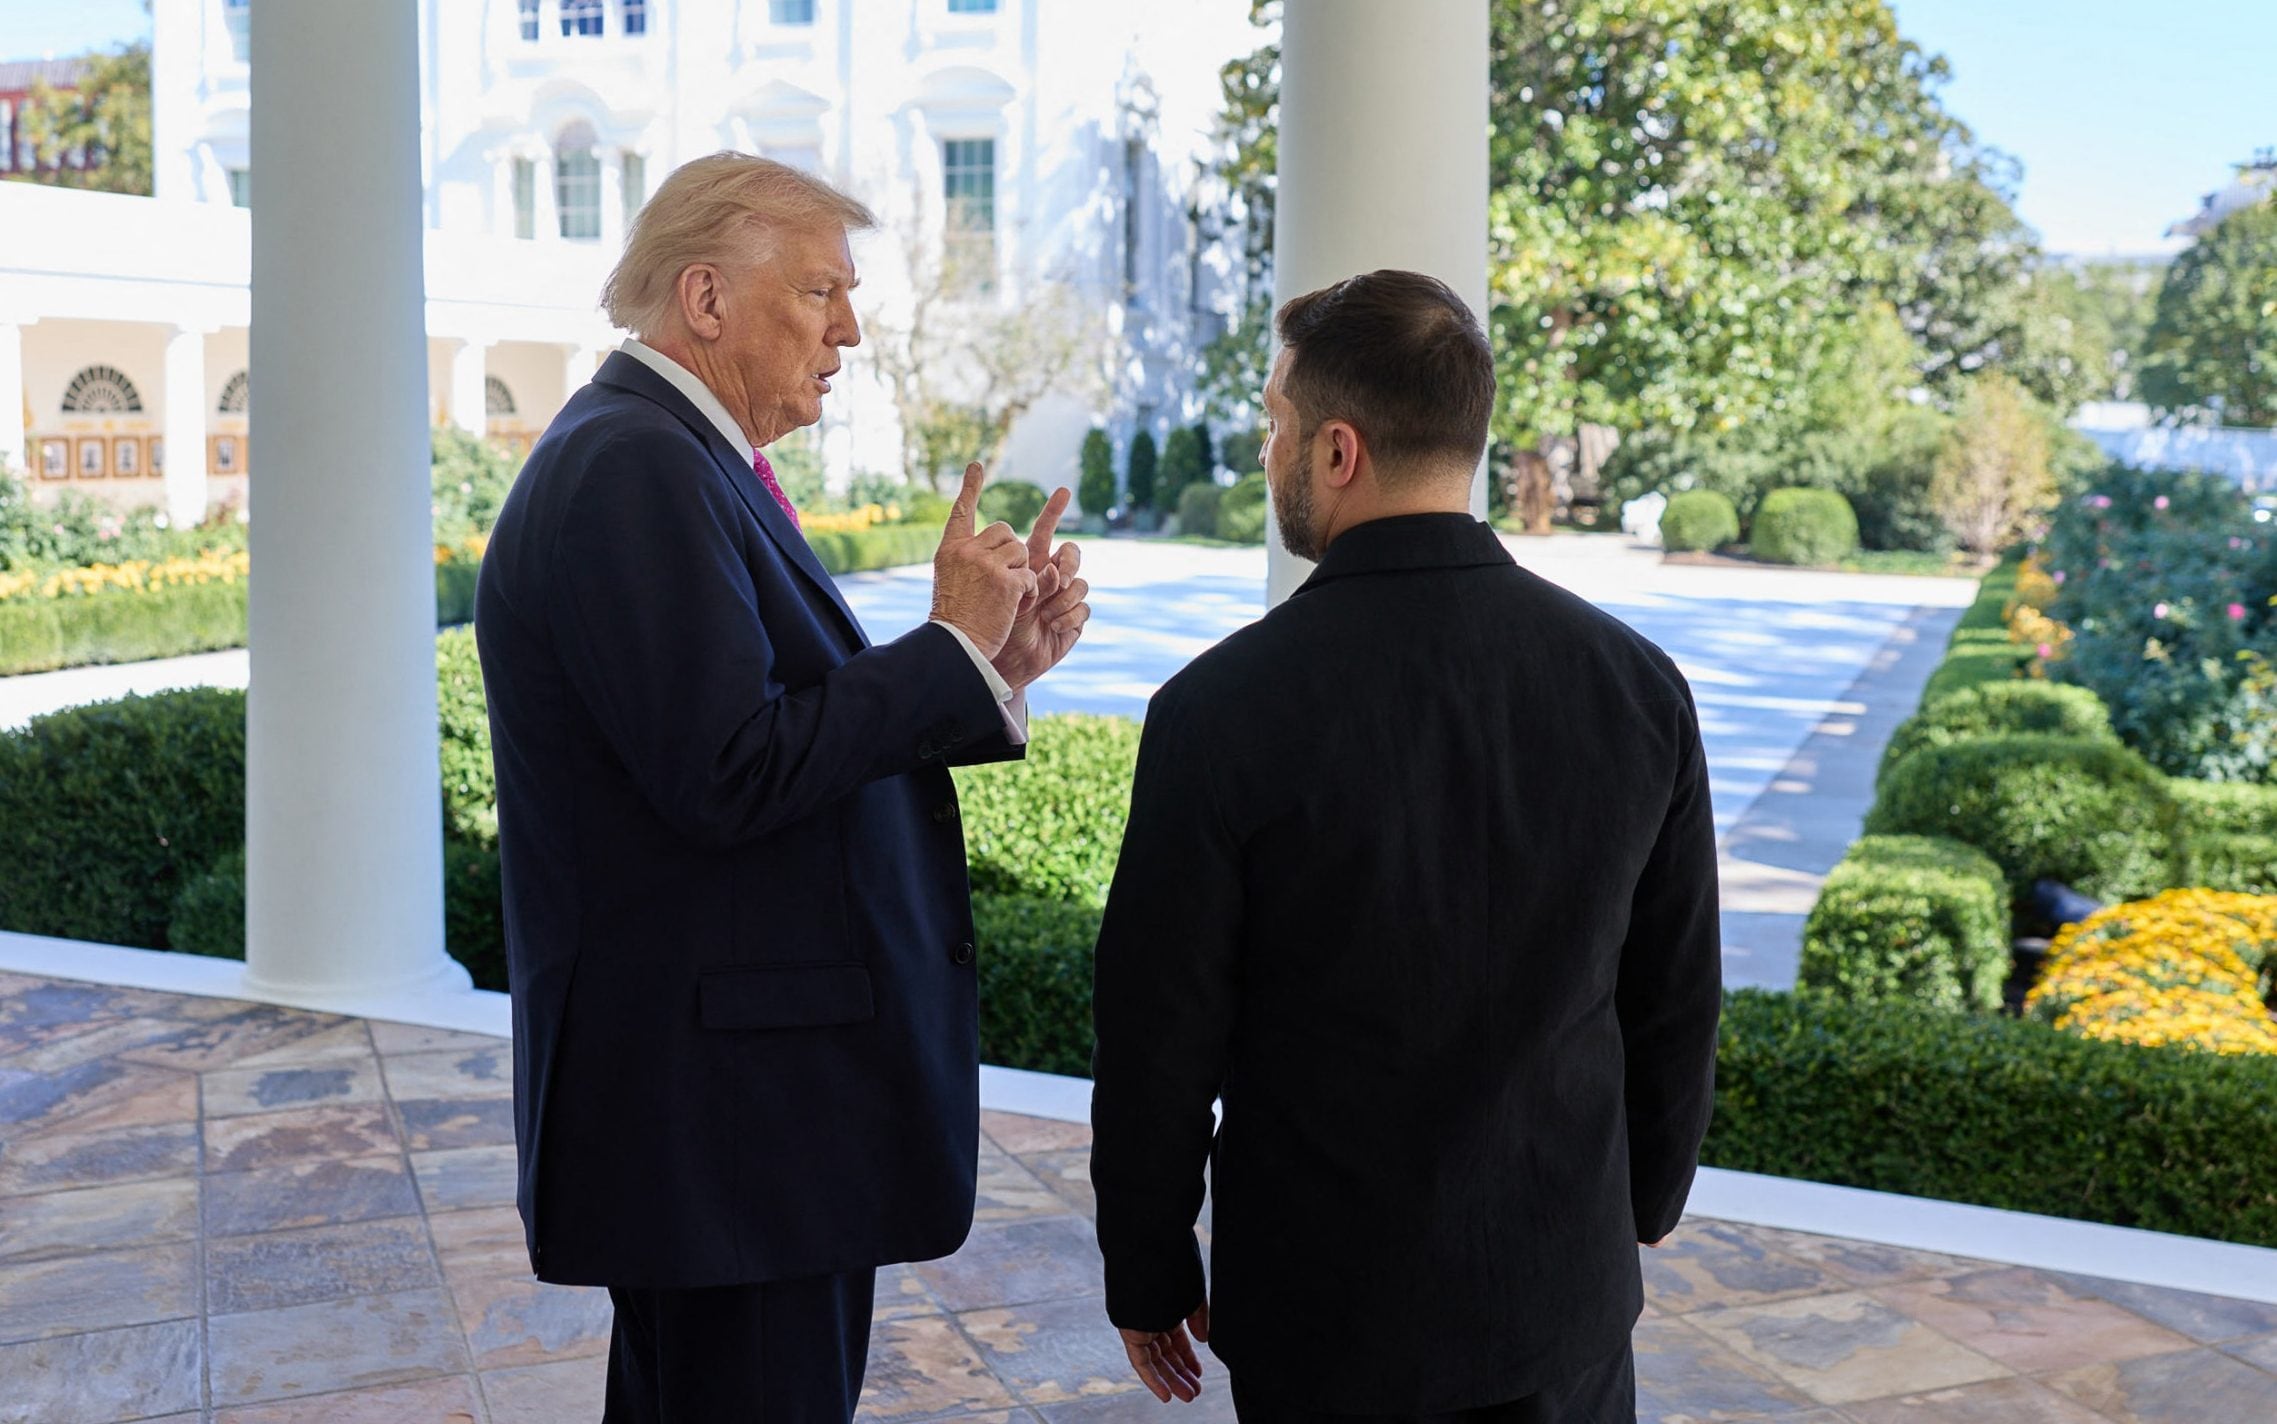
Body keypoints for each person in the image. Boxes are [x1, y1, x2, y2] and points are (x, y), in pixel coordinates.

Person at [473, 153, 1091, 1422]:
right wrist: (943, 649)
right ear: (704, 297)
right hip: (732, 1128)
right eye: (820, 291)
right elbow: (729, 769)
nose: (849, 330)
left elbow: (765, 737)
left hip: (736, 1122)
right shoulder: (634, 467)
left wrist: (985, 664)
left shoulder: (664, 455)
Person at [1088, 270, 1721, 1422]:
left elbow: (1159, 1032)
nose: (1265, 451)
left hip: (1325, 1307)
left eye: (1275, 425)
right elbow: (1675, 997)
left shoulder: (1217, 709)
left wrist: (1148, 1260)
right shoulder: (1636, 688)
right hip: (1558, 1292)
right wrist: (1639, 1203)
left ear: (1338, 451)